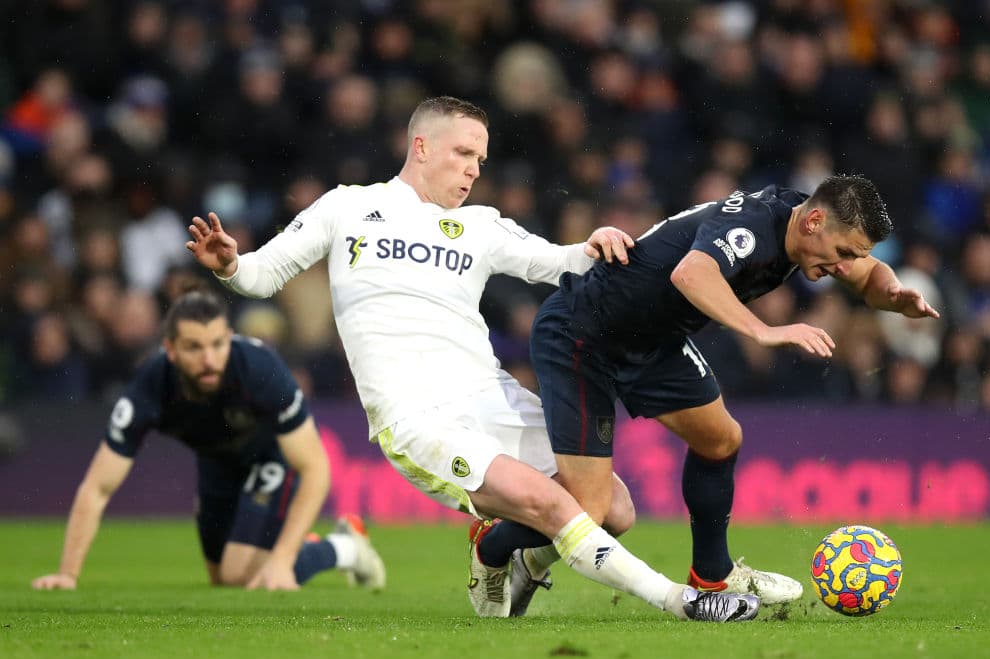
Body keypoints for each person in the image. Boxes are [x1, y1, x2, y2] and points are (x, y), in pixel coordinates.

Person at [185, 95, 761, 622]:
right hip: (417, 415)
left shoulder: (478, 226)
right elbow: (265, 274)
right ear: (421, 147)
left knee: (614, 507)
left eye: (480, 159)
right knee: (549, 503)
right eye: (463, 153)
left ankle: (498, 553)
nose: (473, 169)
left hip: (491, 396)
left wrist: (600, 240)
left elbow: (559, 261)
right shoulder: (349, 208)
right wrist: (230, 265)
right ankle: (683, 601)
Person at [525, 175, 940, 605]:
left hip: (653, 341)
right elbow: (692, 273)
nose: (843, 267)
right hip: (587, 331)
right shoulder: (751, 227)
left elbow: (868, 272)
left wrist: (891, 293)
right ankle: (494, 547)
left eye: (852, 255)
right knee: (595, 511)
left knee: (720, 439)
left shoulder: (807, 226)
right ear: (814, 221)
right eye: (843, 253)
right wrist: (761, 330)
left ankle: (713, 576)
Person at [32, 290, 385, 592]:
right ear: (170, 349)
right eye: (194, 347)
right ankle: (298, 548)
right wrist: (67, 574)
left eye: (218, 344)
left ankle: (345, 548)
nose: (209, 360)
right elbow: (97, 487)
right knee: (222, 578)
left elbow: (315, 466)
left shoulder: (260, 370)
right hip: (216, 464)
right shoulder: (150, 388)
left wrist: (282, 558)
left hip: (269, 457)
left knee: (241, 572)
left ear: (229, 336)